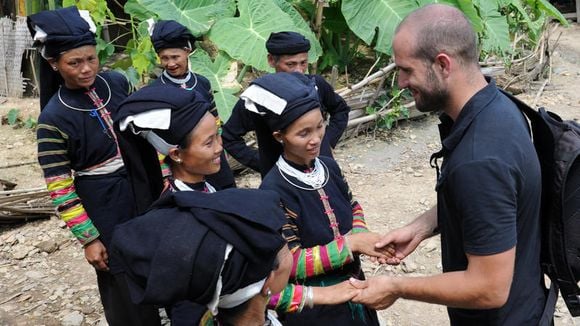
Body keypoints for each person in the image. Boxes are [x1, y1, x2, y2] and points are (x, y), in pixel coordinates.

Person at [348, 4, 545, 325]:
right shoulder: (499, 107)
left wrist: (397, 287)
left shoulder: (479, 158)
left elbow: (489, 288)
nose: (400, 82)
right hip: (528, 306)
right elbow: (499, 202)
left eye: (406, 70)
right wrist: (422, 226)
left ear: (442, 64)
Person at [113, 84, 362, 325]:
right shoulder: (179, 224)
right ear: (176, 154)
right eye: (209, 142)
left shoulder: (212, 195)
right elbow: (237, 295)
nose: (220, 148)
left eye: (218, 136)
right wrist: (318, 294)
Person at [27, 7, 161, 325]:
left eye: (91, 59)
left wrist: (165, 177)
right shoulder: (53, 119)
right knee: (120, 277)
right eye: (74, 63)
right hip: (103, 203)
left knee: (158, 257)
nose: (86, 69)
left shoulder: (117, 83)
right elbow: (59, 186)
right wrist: (89, 238)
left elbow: (146, 135)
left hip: (143, 185)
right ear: (53, 64)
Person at [247, 72, 387, 325]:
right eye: (304, 134)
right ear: (279, 137)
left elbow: (352, 206)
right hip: (316, 308)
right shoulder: (273, 191)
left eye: (320, 126)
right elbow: (291, 263)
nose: (316, 140)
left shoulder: (329, 167)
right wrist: (353, 244)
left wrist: (367, 240)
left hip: (356, 289)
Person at [222, 31, 351, 178]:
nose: (299, 71)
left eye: (303, 63)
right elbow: (229, 136)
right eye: (290, 64)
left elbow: (340, 110)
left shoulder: (316, 85)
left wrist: (327, 141)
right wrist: (262, 162)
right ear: (271, 60)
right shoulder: (258, 97)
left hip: (321, 169)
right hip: (280, 178)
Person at [149, 19, 235, 190]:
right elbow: (157, 139)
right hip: (184, 164)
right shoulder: (156, 91)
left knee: (226, 195)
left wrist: (217, 147)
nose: (170, 63)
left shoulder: (202, 83)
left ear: (187, 51)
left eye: (175, 57)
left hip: (213, 155)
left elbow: (215, 121)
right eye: (164, 58)